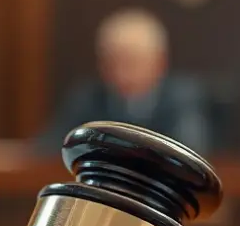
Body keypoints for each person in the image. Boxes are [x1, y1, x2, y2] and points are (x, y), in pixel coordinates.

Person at [33, 9, 212, 156]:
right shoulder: (87, 98)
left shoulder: (183, 98)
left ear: (159, 62)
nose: (121, 73)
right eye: (112, 62)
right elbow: (48, 149)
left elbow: (190, 154)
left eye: (131, 62)